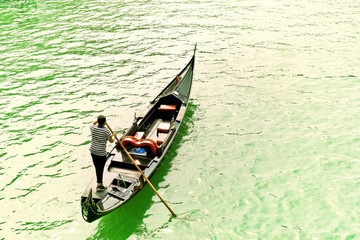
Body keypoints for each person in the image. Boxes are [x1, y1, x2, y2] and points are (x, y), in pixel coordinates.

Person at [90, 115, 116, 192]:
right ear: (104, 122)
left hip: (93, 151)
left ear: (98, 121)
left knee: (97, 168)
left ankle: (99, 183)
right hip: (101, 153)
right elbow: (111, 141)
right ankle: (99, 185)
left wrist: (98, 120)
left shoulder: (93, 128)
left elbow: (92, 123)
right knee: (100, 168)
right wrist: (114, 136)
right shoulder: (106, 131)